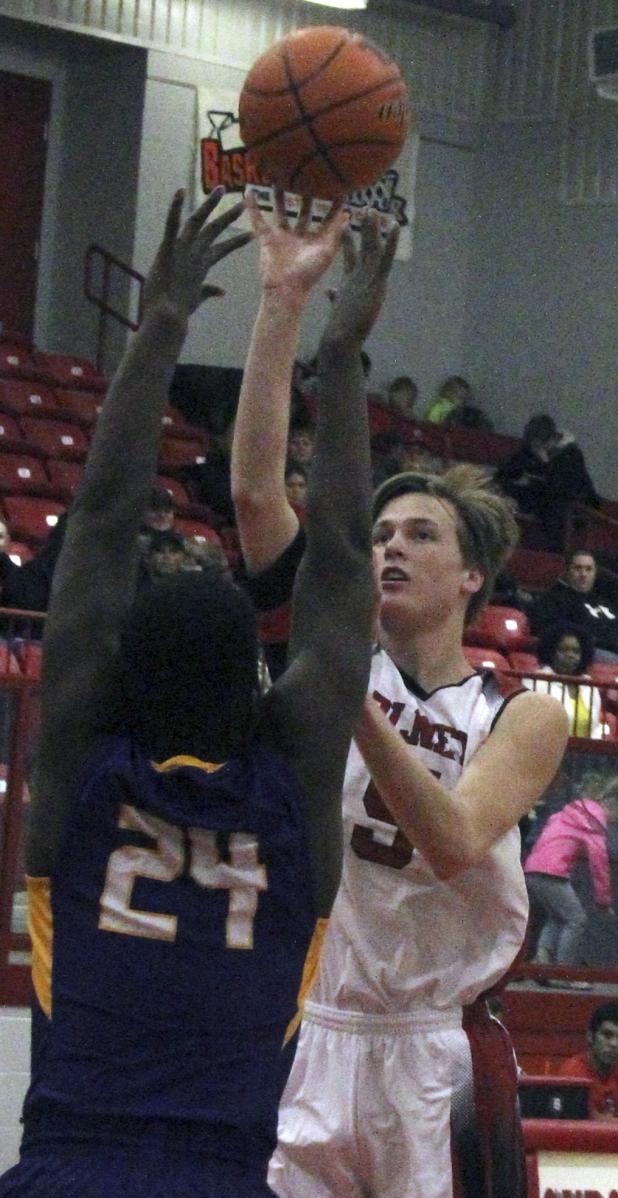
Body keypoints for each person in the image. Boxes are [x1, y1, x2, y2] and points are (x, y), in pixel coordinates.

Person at [0, 188, 379, 1198]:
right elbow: (342, 562)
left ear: (116, 676)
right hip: (221, 1176)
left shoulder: (78, 771)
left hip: (65, 1169)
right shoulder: (291, 791)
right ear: (261, 691)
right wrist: (341, 364)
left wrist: (159, 325)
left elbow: (98, 522)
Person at [232, 250, 569, 1196]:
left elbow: (456, 840)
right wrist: (283, 300)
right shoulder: (345, 663)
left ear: (473, 578)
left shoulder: (522, 712)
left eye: (420, 535)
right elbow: (259, 496)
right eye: (380, 535)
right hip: (319, 1024)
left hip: (440, 1052)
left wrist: (351, 700)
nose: (390, 549)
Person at [524, 779, 618, 977]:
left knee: (557, 917)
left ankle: (542, 961)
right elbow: (599, 864)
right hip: (552, 873)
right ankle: (564, 973)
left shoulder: (566, 813)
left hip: (533, 869)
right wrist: (603, 901)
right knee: (577, 919)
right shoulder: (594, 822)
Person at [531, 548, 618, 662]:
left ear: (595, 573)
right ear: (567, 571)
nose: (583, 574)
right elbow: (548, 631)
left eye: (588, 569)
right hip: (591, 653)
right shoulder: (554, 600)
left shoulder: (605, 601)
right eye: (578, 568)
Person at [522, 621, 603, 738]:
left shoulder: (589, 685)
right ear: (550, 652)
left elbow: (595, 728)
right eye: (563, 649)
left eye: (576, 651)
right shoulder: (536, 681)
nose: (570, 655)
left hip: (584, 753)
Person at [557, 1001, 618, 1118]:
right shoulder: (572, 1072)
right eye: (607, 1035)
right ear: (590, 1037)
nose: (614, 1044)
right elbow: (592, 1124)